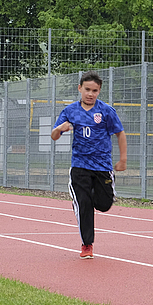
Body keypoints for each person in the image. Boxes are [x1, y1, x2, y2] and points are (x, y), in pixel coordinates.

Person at [51, 71, 127, 259]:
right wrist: (60, 129)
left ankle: (90, 197)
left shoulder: (106, 111)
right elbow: (54, 135)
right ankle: (87, 244)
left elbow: (120, 134)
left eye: (95, 90)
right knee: (84, 204)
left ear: (99, 91)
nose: (90, 94)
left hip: (102, 166)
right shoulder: (70, 111)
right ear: (80, 88)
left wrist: (123, 159)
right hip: (80, 165)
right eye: (87, 90)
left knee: (104, 204)